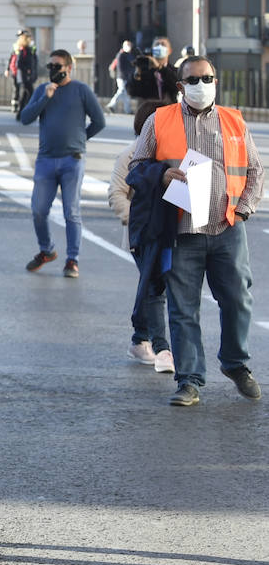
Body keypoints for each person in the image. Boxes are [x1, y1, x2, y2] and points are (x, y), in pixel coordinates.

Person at [128, 56, 264, 407]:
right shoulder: (161, 120)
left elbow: (255, 170)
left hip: (226, 227)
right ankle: (189, 380)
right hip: (181, 230)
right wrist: (161, 175)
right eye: (194, 79)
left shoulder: (233, 120)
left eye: (208, 78)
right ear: (181, 85)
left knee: (238, 300)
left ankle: (236, 364)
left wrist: (244, 210)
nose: (202, 85)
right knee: (182, 308)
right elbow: (136, 167)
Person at [18, 49, 106, 278]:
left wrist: (80, 139)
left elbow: (99, 121)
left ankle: (72, 260)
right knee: (38, 210)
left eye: (57, 66)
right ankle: (47, 250)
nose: (53, 71)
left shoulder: (81, 90)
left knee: (71, 212)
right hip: (46, 160)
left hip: (72, 160)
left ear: (69, 68)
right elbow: (25, 118)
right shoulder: (42, 90)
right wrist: (45, 98)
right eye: (50, 67)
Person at [109, 102, 172, 372]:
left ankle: (139, 338)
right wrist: (136, 221)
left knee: (153, 284)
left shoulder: (171, 155)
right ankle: (162, 347)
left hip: (168, 231)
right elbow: (116, 194)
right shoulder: (130, 155)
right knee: (155, 286)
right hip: (141, 236)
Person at [8, 30, 38, 116]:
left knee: (25, 94)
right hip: (24, 76)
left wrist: (32, 72)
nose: (30, 40)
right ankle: (22, 111)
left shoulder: (29, 48)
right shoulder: (22, 49)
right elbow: (19, 63)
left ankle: (21, 113)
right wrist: (27, 71)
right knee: (28, 92)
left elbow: (34, 60)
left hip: (27, 75)